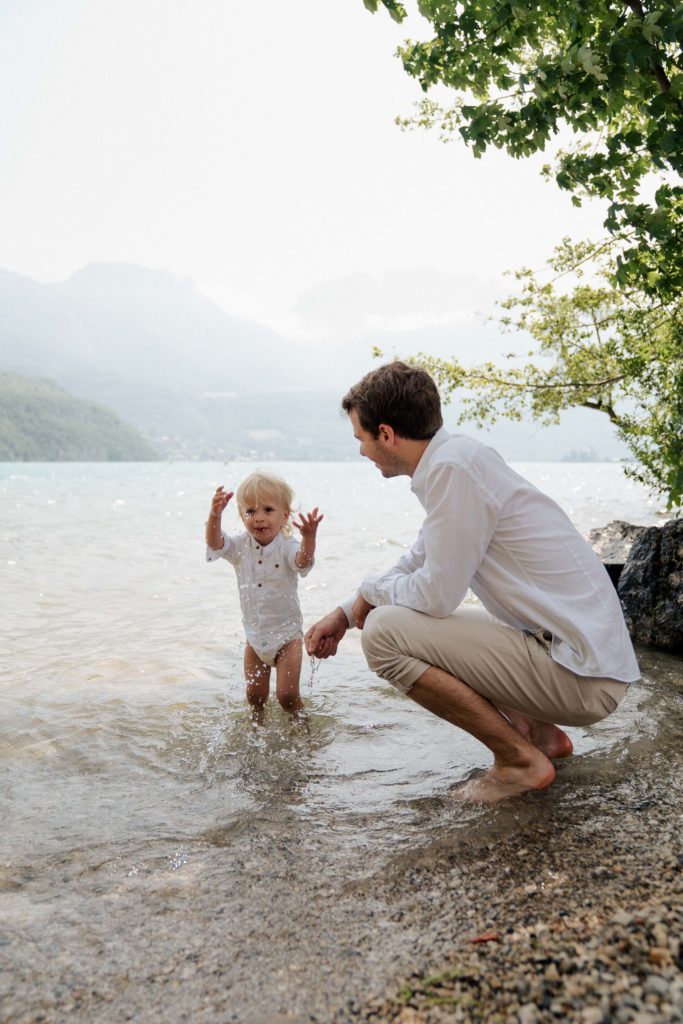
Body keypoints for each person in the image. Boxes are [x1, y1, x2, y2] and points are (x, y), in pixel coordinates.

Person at [305, 361, 640, 803]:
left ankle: (520, 762)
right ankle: (538, 736)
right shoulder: (455, 461)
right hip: (582, 660)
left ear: (385, 434)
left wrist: (371, 594)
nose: (362, 452)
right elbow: (418, 558)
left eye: (360, 439)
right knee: (405, 619)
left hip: (585, 676)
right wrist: (345, 613)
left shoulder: (454, 470)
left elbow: (436, 596)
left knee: (385, 634)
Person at [206, 471, 323, 717]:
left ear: (285, 515)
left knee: (287, 696)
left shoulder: (287, 546)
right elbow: (216, 543)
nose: (258, 518)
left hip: (287, 637)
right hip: (255, 638)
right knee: (254, 698)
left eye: (268, 510)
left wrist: (309, 538)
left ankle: (302, 731)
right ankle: (256, 733)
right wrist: (215, 515)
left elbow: (302, 562)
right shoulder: (240, 547)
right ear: (242, 516)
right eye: (250, 511)